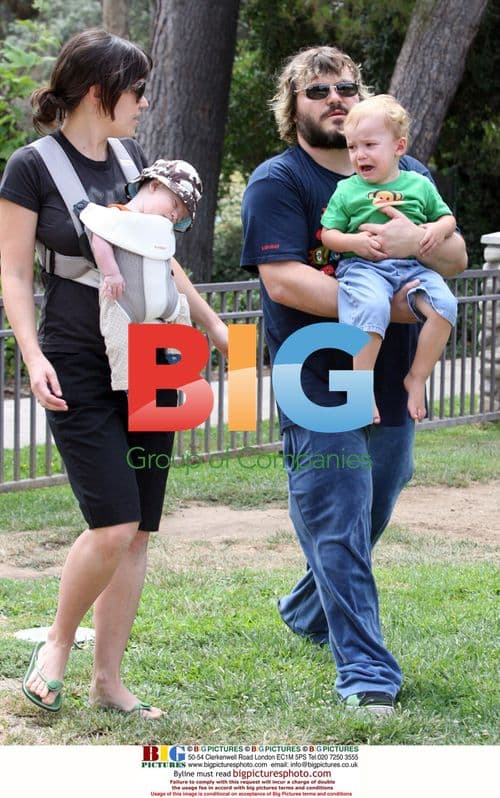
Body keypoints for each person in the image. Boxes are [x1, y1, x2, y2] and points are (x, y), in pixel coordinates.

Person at [0, 28, 227, 718]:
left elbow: (155, 250)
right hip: (76, 359)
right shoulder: (31, 167)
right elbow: (11, 273)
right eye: (137, 90)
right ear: (100, 93)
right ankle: (58, 649)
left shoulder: (132, 157)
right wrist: (33, 357)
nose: (145, 102)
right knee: (111, 520)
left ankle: (109, 681)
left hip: (153, 357)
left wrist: (209, 320)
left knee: (139, 528)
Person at [241, 46, 466, 715]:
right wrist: (398, 303)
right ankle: (367, 674)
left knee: (375, 506)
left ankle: (307, 610)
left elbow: (452, 255)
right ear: (295, 109)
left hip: (393, 378)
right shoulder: (278, 181)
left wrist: (418, 243)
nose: (335, 98)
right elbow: (284, 280)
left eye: (345, 88)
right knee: (337, 519)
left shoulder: (409, 173)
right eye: (318, 91)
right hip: (315, 374)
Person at [321, 94, 459, 423]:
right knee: (372, 308)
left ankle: (417, 377)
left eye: (369, 145)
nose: (359, 155)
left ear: (398, 147)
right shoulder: (346, 190)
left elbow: (447, 219)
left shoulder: (419, 184)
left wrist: (433, 232)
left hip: (412, 266)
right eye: (353, 147)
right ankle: (360, 386)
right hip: (364, 267)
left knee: (445, 307)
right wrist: (354, 241)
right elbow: (328, 234)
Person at [80, 158, 203, 390]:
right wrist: (111, 273)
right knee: (119, 338)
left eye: (182, 214)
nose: (175, 215)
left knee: (182, 310)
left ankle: (181, 368)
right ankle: (126, 383)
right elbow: (100, 239)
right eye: (175, 204)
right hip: (125, 301)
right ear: (155, 186)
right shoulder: (119, 215)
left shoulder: (161, 230)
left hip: (163, 306)